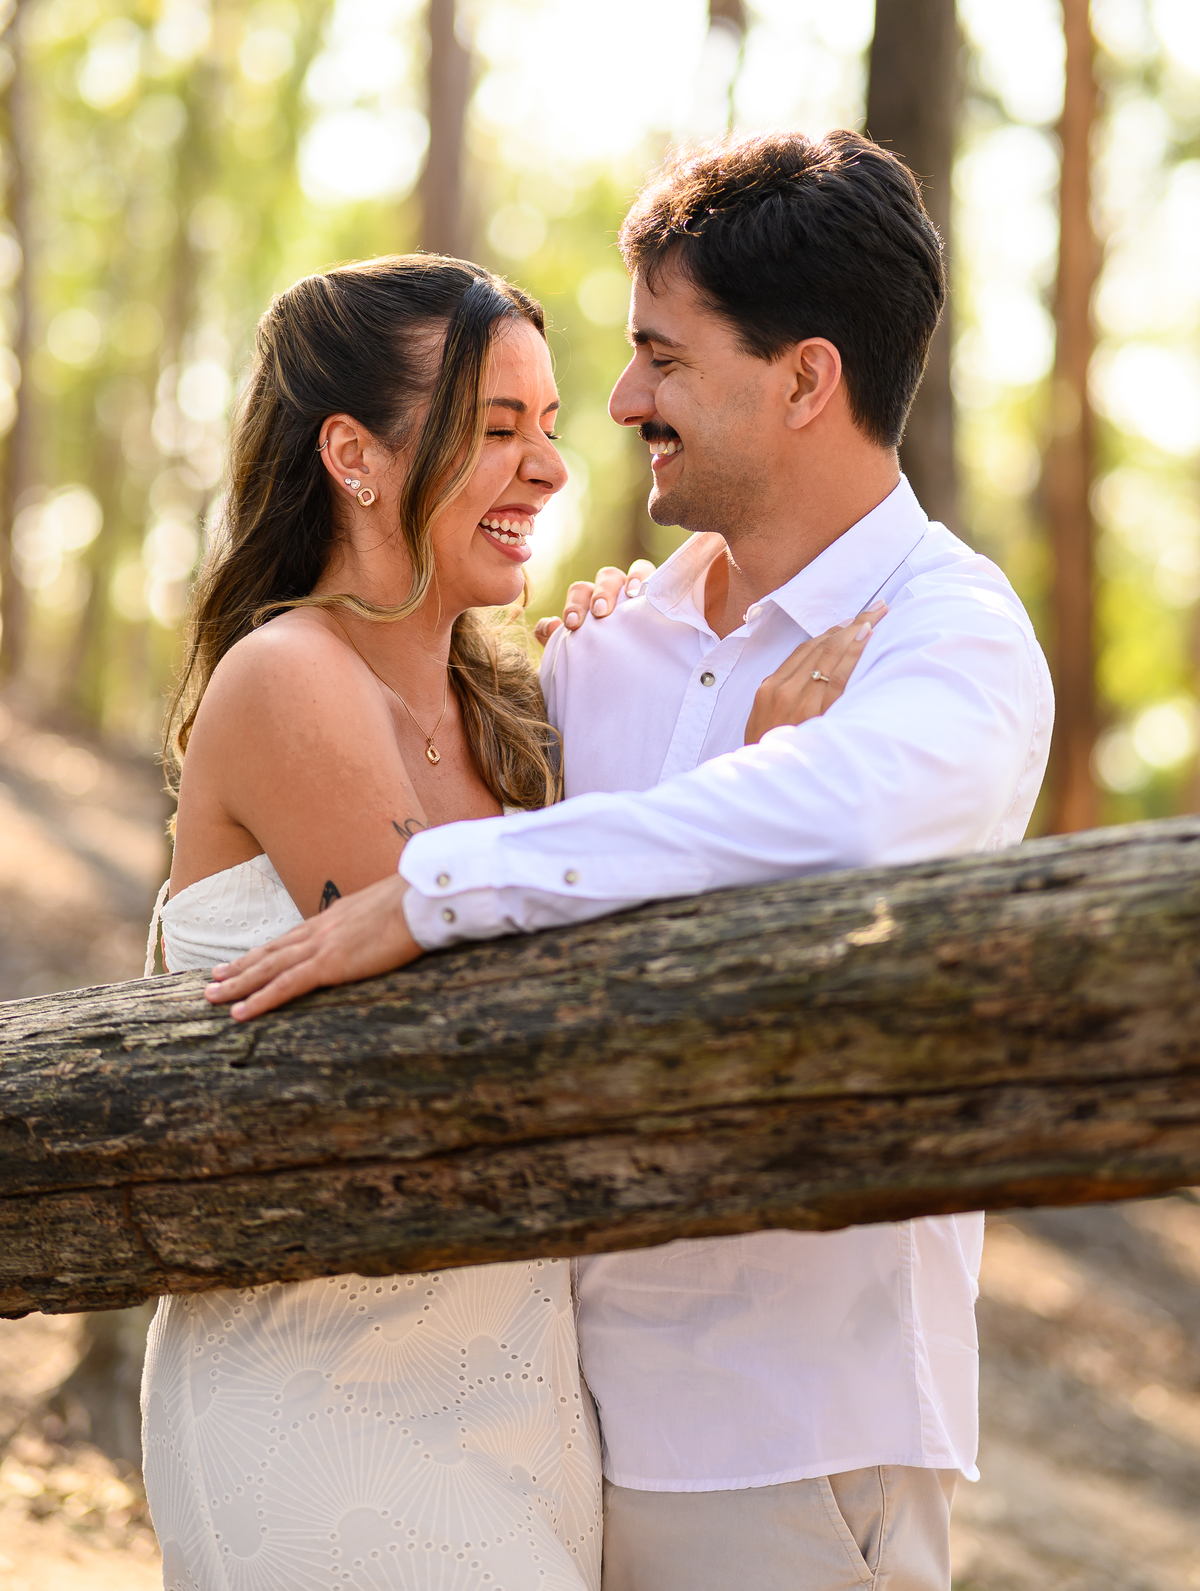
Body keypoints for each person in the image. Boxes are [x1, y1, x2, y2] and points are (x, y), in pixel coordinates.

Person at [209, 129, 1054, 1591]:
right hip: (538, 1423)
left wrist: (443, 890)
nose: (620, 403)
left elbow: (835, 821)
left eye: (661, 357)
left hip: (782, 1431)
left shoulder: (947, 638)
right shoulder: (602, 652)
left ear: (805, 378)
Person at [142, 248, 865, 1591]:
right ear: (353, 456)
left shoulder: (515, 702)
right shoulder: (287, 678)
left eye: (546, 427)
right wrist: (749, 783)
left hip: (521, 1396)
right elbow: (497, 1021)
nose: (547, 466)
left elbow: (592, 880)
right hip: (324, 1394)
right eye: (495, 429)